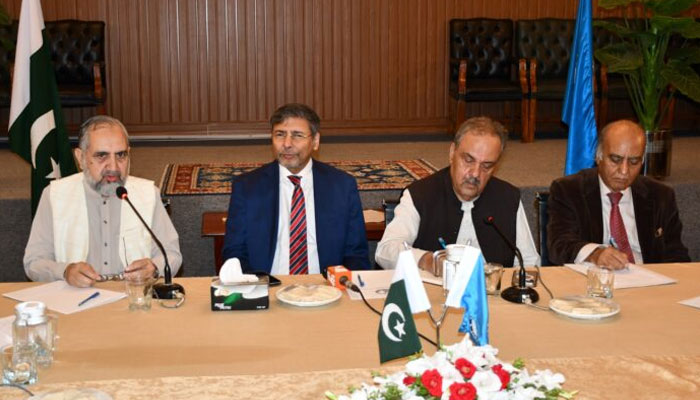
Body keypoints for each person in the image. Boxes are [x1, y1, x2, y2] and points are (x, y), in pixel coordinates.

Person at [24, 116, 182, 287]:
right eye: (102, 156)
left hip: (134, 298)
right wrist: (65, 272)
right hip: (75, 298)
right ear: (81, 158)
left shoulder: (147, 194)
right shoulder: (54, 196)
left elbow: (172, 255)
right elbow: (34, 262)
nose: (113, 167)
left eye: (121, 155)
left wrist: (154, 268)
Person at [375, 116, 540, 271]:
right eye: (468, 160)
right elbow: (385, 250)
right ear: (452, 152)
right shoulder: (421, 194)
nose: (475, 173)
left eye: (487, 165)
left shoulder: (507, 197)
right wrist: (426, 260)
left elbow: (529, 262)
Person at [222, 103, 370, 275]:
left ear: (315, 141)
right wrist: (257, 286)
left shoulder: (342, 186)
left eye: (297, 135)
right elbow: (234, 253)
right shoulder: (247, 187)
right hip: (268, 287)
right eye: (280, 135)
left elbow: (356, 253)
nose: (287, 144)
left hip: (325, 288)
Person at [547, 119, 690, 269]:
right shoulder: (569, 190)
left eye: (634, 162)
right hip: (594, 281)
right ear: (599, 156)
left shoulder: (661, 195)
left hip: (648, 280)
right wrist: (595, 253)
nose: (624, 171)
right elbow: (559, 245)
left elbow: (676, 254)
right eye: (615, 160)